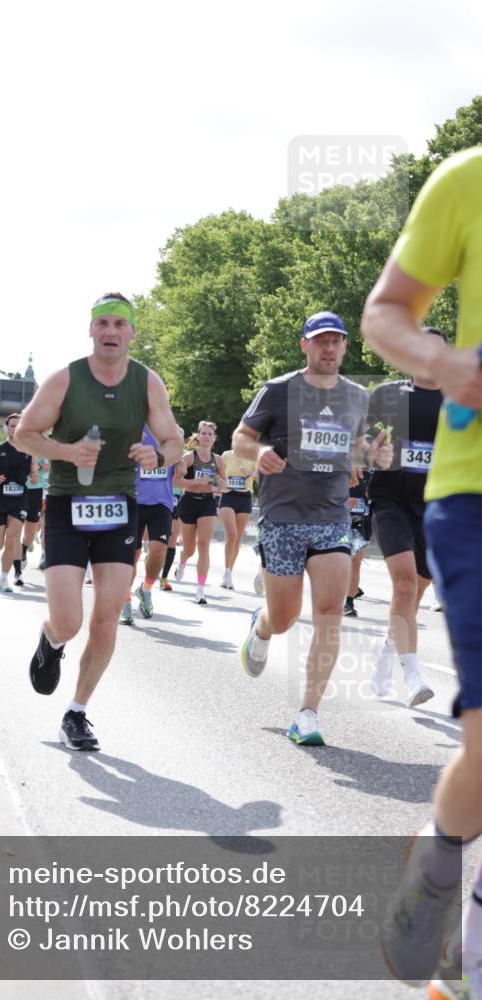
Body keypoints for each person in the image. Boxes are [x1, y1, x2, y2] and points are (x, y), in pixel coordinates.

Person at [362, 147, 482, 995]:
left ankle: (465, 958)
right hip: (472, 490)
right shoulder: (467, 180)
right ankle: (442, 859)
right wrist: (443, 363)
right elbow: (386, 312)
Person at [14, 292, 183, 752]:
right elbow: (25, 433)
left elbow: (174, 441)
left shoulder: (147, 383)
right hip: (66, 504)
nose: (111, 332)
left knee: (107, 617)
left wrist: (157, 455)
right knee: (69, 621)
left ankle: (77, 711)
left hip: (119, 506)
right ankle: (52, 640)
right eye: (103, 323)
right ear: (91, 330)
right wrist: (66, 452)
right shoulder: (65, 379)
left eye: (119, 324)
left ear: (132, 333)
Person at [232, 310, 392, 747]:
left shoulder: (356, 396)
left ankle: (307, 713)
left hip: (331, 516)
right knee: (284, 617)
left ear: (344, 346)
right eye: (320, 340)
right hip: (283, 516)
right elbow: (240, 438)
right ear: (305, 345)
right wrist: (259, 451)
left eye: (336, 341)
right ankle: (262, 627)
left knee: (328, 613)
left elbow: (354, 445)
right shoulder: (278, 390)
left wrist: (370, 456)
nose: (329, 348)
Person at [367, 331, 445, 707]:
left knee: (418, 590)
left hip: (436, 506)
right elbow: (362, 442)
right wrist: (372, 452)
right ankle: (413, 677)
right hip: (390, 499)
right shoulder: (388, 395)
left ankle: (386, 651)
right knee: (404, 586)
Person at [121, 424, 182, 623]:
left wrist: (180, 461)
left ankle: (146, 589)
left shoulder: (170, 429)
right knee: (131, 555)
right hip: (134, 501)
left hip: (161, 502)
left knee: (159, 550)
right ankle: (125, 600)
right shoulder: (132, 425)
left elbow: (178, 451)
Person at [172, 421, 226, 605]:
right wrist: (195, 481)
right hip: (188, 502)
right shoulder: (189, 457)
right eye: (204, 433)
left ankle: (200, 590)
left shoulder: (218, 460)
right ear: (198, 436)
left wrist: (216, 480)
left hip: (208, 503)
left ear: (214, 438)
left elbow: (225, 486)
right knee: (190, 549)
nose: (207, 436)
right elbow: (175, 482)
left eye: (210, 434)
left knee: (204, 545)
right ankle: (182, 561)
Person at [0, 414, 34, 593]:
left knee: (12, 540)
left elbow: (33, 473)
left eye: (19, 426)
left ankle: (3, 579)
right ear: (6, 428)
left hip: (20, 500)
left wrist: (34, 476)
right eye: (12, 426)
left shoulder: (30, 451)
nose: (15, 429)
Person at [218, 449, 256, 590]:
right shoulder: (226, 455)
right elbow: (218, 474)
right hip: (228, 496)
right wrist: (221, 483)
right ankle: (227, 572)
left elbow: (261, 477)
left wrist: (250, 473)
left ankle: (229, 572)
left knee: (238, 538)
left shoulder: (253, 456)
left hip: (245, 498)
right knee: (232, 535)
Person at [344, 469, 372, 618]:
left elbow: (371, 505)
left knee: (356, 561)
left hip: (358, 524)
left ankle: (349, 603)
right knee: (338, 562)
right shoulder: (338, 466)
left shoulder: (370, 473)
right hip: (335, 523)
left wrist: (368, 533)